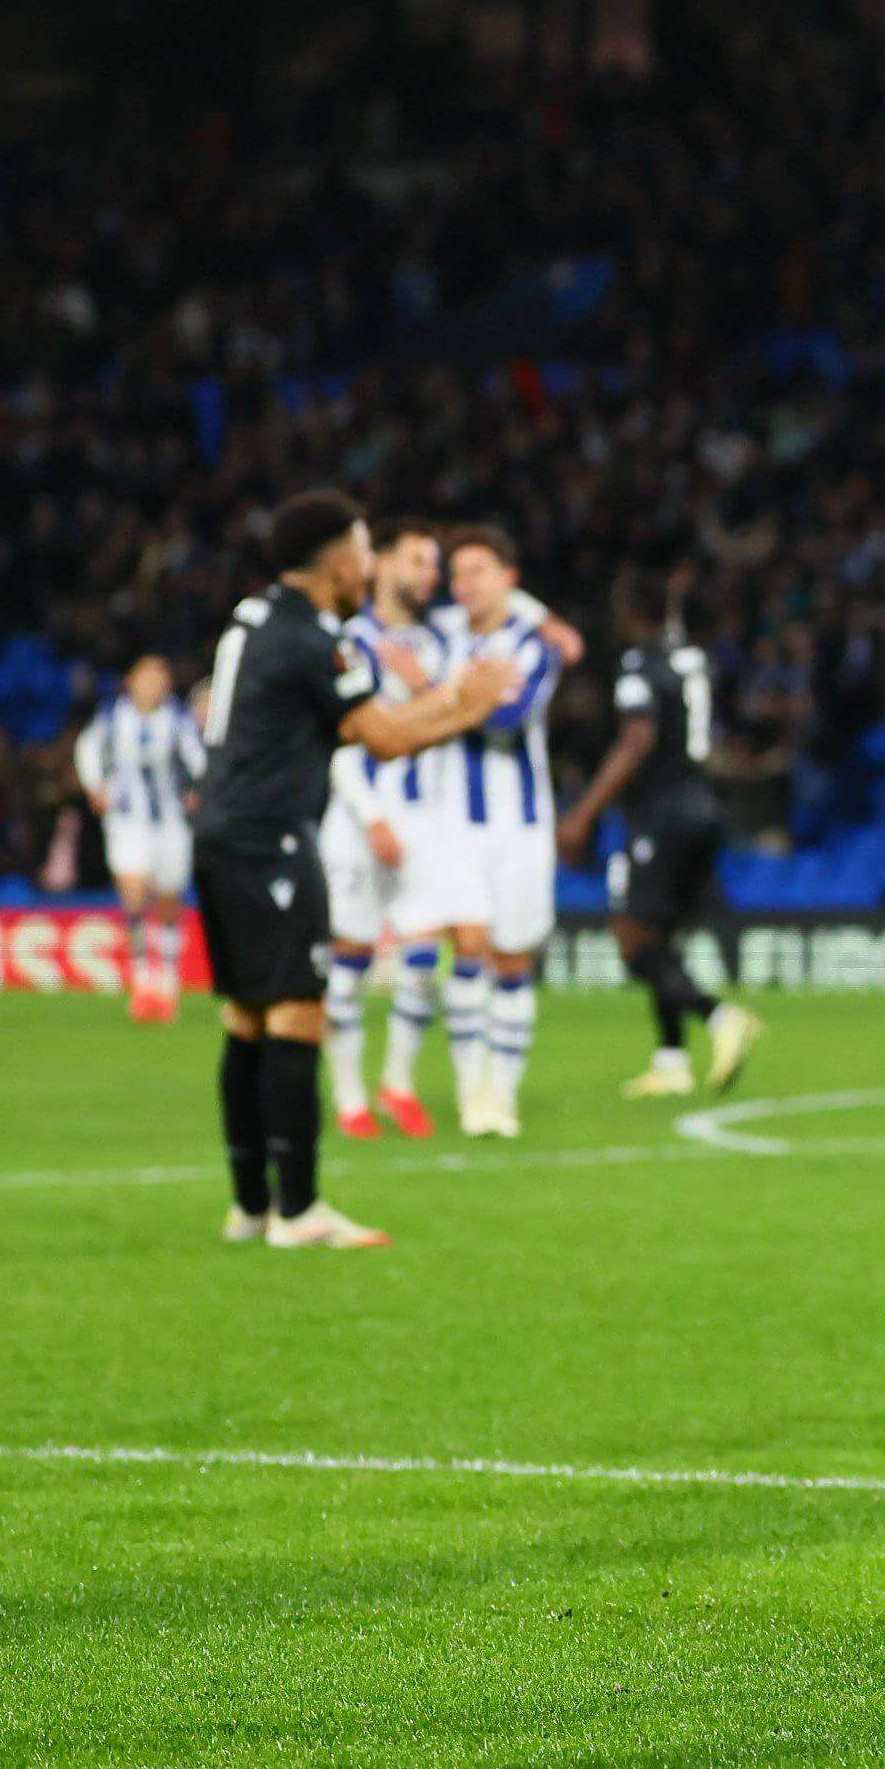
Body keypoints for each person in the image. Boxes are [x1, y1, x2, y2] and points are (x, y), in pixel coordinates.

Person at [189, 491, 515, 1251]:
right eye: (365, 550)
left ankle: (251, 1206)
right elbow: (387, 738)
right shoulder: (316, 639)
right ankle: (299, 1211)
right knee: (296, 1014)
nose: (368, 565)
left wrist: (447, 702)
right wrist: (465, 704)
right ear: (338, 559)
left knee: (245, 1020)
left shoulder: (253, 614)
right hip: (271, 839)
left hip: (221, 831)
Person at [563, 579, 760, 1099]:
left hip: (662, 814)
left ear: (629, 612)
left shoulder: (638, 666)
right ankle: (671, 1060)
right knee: (663, 939)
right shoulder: (691, 658)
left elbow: (637, 740)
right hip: (704, 805)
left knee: (631, 940)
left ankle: (719, 1016)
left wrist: (583, 813)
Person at [427, 526, 580, 1138]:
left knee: (512, 960)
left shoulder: (531, 643)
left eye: (479, 571)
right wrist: (463, 692)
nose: (465, 584)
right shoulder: (441, 634)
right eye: (458, 574)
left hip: (519, 827)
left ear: (509, 579)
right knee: (467, 951)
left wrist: (434, 693)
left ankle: (502, 1092)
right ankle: (471, 1091)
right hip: (455, 824)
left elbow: (511, 718)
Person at [322, 519, 447, 1138]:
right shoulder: (347, 641)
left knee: (424, 956)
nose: (429, 575)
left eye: (434, 565)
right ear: (386, 564)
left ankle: (398, 1083)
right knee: (350, 958)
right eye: (417, 561)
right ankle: (349, 1096)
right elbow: (337, 740)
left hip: (423, 821)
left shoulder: (438, 645)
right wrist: (371, 815)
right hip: (355, 819)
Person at [71, 654, 205, 1025]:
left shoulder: (178, 720)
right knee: (132, 892)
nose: (153, 685)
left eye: (159, 677)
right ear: (131, 681)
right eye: (146, 677)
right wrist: (95, 788)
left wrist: (197, 790)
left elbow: (199, 760)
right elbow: (87, 752)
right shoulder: (112, 718)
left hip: (170, 821)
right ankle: (143, 978)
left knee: (167, 899)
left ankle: (169, 979)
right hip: (127, 820)